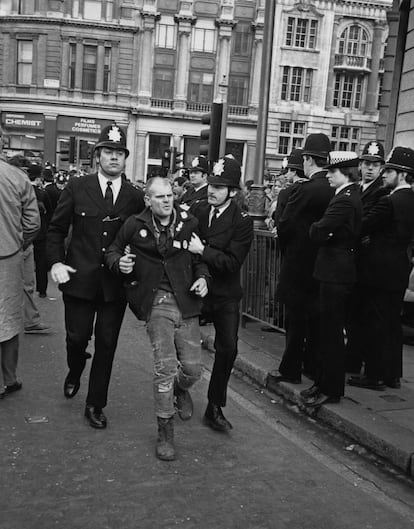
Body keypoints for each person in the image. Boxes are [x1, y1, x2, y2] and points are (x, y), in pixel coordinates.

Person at [47, 124, 145, 429]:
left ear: (125, 158)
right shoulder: (77, 187)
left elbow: (142, 238)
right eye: (108, 152)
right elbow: (56, 230)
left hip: (113, 286)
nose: (114, 158)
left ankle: (95, 403)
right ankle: (75, 368)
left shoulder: (134, 196)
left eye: (119, 153)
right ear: (97, 155)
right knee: (76, 339)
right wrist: (55, 263)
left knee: (106, 344)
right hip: (79, 280)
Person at [105, 177, 209, 461]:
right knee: (164, 368)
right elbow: (113, 251)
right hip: (156, 302)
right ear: (148, 200)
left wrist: (202, 278)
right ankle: (165, 431)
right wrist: (119, 263)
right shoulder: (134, 224)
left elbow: (199, 259)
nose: (166, 200)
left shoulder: (189, 222)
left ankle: (180, 389)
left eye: (169, 196)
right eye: (159, 197)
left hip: (186, 301)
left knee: (193, 369)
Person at [189, 156, 254, 432]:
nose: (212, 191)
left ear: (233, 191)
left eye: (220, 186)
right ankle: (180, 387)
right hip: (196, 289)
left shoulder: (242, 221)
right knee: (182, 345)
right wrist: (200, 264)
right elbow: (185, 249)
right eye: (211, 184)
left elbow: (231, 262)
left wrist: (203, 250)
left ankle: (214, 406)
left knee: (227, 349)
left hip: (225, 293)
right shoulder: (198, 211)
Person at [348, 146, 414, 391]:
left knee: (375, 323)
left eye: (391, 171)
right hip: (399, 270)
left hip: (377, 271)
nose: (384, 174)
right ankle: (392, 375)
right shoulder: (411, 200)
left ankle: (374, 375)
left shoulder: (390, 201)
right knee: (391, 324)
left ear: (403, 175)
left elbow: (362, 226)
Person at [270, 134, 334, 384]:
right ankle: (312, 366)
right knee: (317, 321)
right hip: (322, 265)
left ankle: (290, 369)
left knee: (295, 321)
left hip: (297, 265)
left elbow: (284, 225)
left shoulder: (304, 190)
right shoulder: (333, 188)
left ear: (307, 160)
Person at [300, 152, 362, 407]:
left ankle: (331, 388)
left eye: (332, 172)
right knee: (325, 331)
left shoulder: (345, 200)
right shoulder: (344, 196)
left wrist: (316, 229)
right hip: (332, 269)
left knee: (331, 333)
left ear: (346, 173)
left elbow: (319, 230)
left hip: (336, 272)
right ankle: (323, 383)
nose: (327, 175)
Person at [345, 141, 389, 374]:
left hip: (366, 261)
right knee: (351, 313)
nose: (370, 168)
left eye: (375, 164)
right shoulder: (355, 188)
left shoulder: (382, 191)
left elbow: (367, 223)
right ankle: (351, 356)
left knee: (361, 314)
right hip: (350, 258)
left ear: (381, 168)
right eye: (366, 163)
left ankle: (355, 359)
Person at [0, 158, 40, 398]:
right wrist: (17, 243)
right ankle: (9, 379)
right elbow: (33, 223)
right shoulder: (16, 177)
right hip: (7, 255)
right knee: (7, 318)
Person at [27, 163, 52, 298]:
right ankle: (42, 289)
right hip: (41, 232)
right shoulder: (42, 193)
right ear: (38, 178)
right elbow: (50, 212)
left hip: (23, 233)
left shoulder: (21, 192)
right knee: (41, 262)